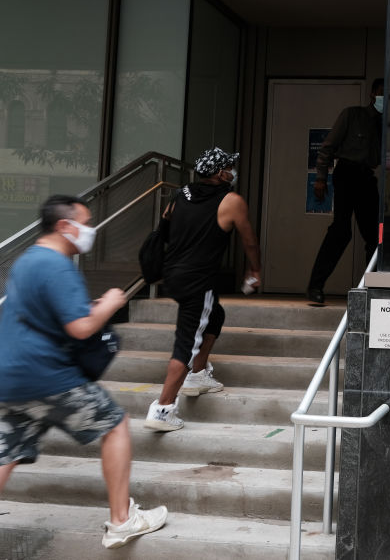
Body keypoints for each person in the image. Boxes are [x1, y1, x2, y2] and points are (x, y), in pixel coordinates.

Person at [0, 195, 168, 549]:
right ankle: (122, 520)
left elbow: (44, 314)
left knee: (7, 451)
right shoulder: (58, 266)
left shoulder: (25, 261)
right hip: (47, 376)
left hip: (9, 378)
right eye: (86, 223)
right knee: (115, 424)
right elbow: (80, 327)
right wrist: (109, 303)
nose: (90, 231)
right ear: (64, 226)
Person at [144, 147, 261, 431]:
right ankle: (163, 409)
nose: (233, 170)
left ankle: (198, 374)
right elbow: (249, 241)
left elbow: (166, 224)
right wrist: (255, 270)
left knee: (215, 316)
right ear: (221, 173)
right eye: (230, 166)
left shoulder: (179, 194)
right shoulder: (231, 201)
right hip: (198, 282)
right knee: (187, 342)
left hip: (174, 274)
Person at [306, 78, 384, 305]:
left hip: (367, 176)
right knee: (341, 231)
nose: (383, 98)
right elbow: (327, 148)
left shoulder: (387, 124)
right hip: (347, 172)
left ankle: (372, 289)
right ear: (372, 94)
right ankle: (315, 286)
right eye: (381, 93)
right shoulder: (353, 115)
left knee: (374, 236)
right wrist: (320, 179)